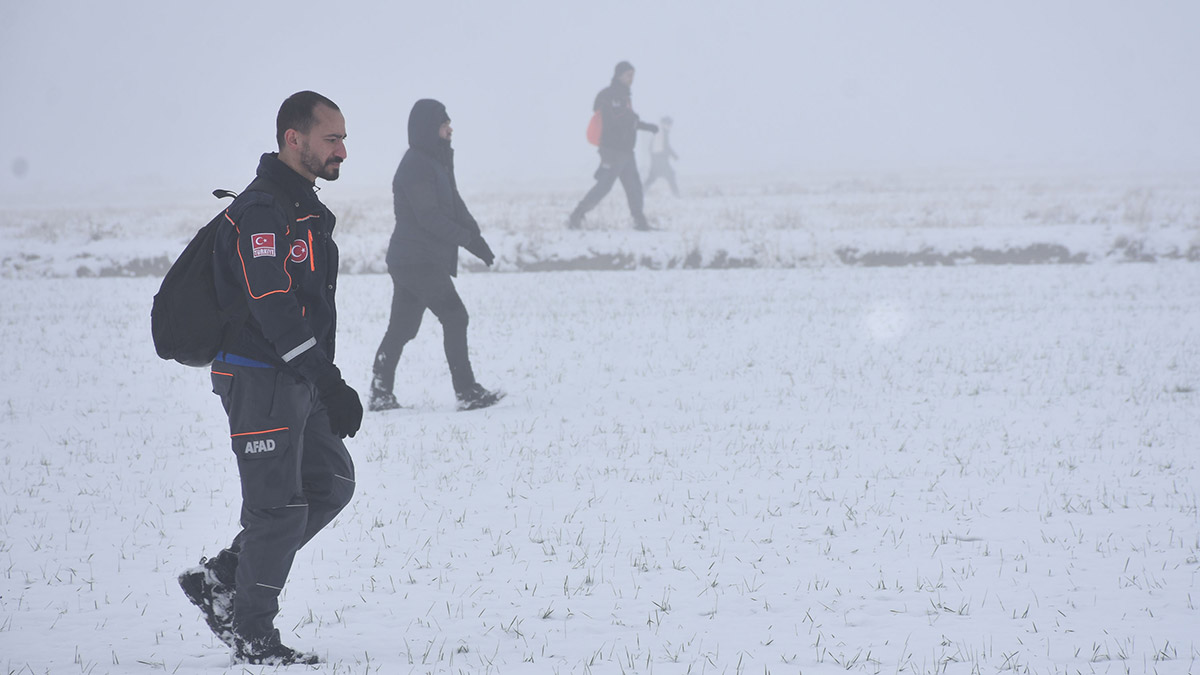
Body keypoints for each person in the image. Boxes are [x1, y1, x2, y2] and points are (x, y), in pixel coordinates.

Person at [177, 91, 362, 666]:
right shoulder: (261, 211)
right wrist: (328, 379)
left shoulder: (302, 206)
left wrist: (320, 381)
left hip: (298, 377)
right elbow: (273, 304)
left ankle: (226, 575)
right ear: (294, 139)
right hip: (260, 378)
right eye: (332, 138)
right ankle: (254, 635)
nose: (343, 150)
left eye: (343, 138)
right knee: (276, 510)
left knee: (329, 483)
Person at [369, 99, 503, 413]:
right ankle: (467, 391)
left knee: (401, 329)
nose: (450, 129)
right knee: (455, 316)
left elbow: (454, 205)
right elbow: (429, 217)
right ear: (430, 128)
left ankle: (380, 393)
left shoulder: (434, 161)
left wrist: (476, 241)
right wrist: (467, 239)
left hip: (414, 260)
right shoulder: (416, 164)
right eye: (445, 124)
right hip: (416, 261)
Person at [568, 61, 659, 231]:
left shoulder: (624, 96)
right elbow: (616, 120)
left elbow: (628, 120)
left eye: (633, 75)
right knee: (604, 186)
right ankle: (576, 216)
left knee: (634, 186)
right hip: (613, 151)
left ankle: (640, 222)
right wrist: (635, 121)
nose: (631, 79)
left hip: (625, 150)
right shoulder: (611, 95)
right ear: (619, 75)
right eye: (628, 75)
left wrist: (646, 127)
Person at [643, 116, 679, 196]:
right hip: (660, 160)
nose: (670, 127)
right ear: (665, 124)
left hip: (657, 159)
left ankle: (640, 191)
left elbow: (652, 148)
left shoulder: (659, 132)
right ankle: (677, 194)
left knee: (652, 177)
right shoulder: (661, 133)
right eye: (669, 124)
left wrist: (673, 155)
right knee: (670, 176)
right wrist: (673, 155)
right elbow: (665, 147)